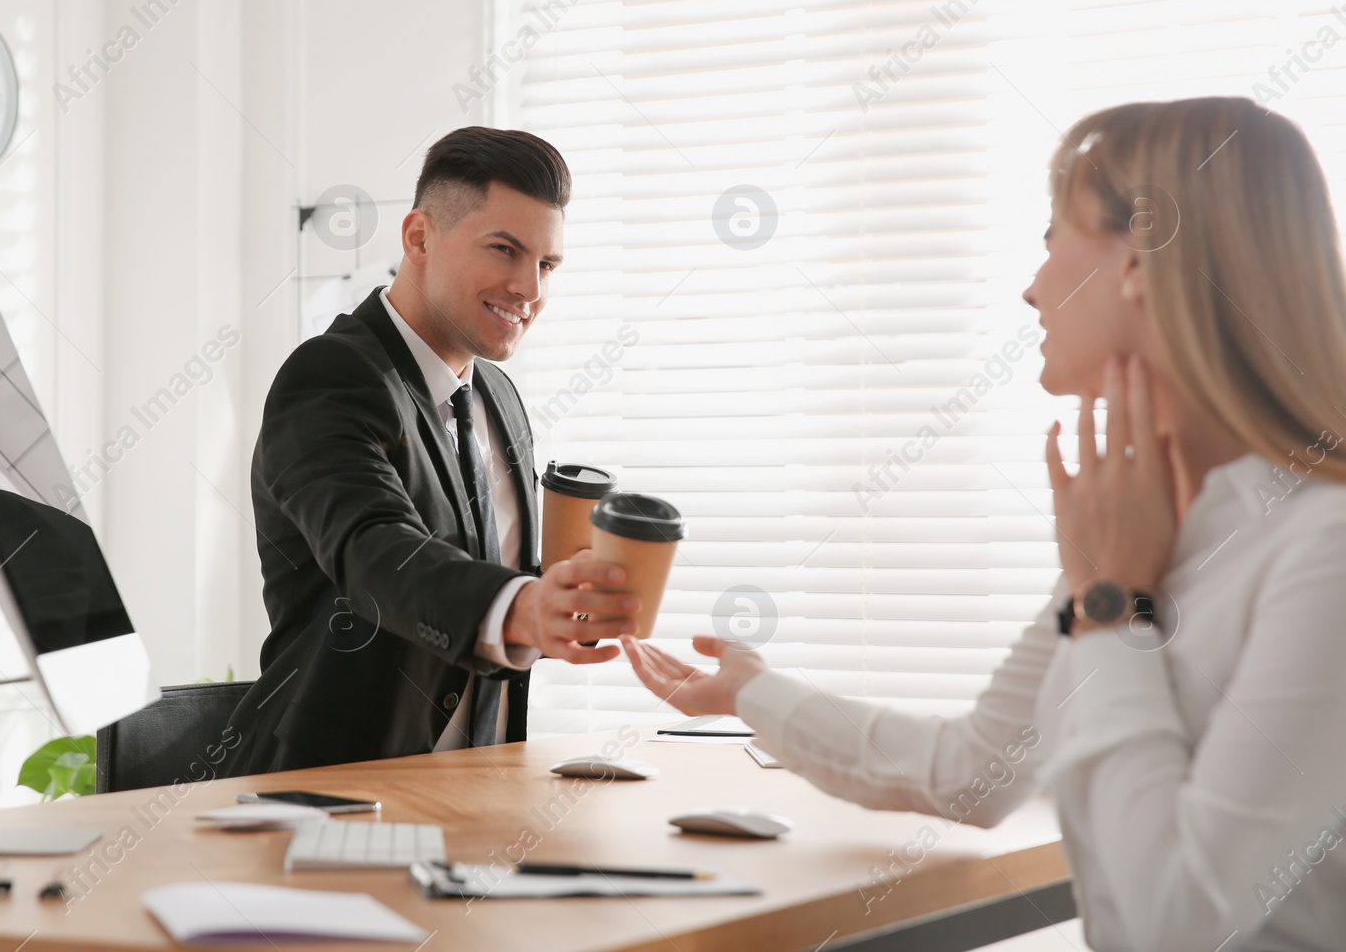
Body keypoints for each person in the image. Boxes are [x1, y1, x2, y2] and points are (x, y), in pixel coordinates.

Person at [622, 97, 1346, 951]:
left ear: (1142, 261)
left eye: (1050, 239)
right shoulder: (1137, 534)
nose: (1031, 285)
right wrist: (749, 688)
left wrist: (1114, 610)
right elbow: (974, 771)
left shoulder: (1318, 550)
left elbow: (1178, 923)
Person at [225, 126, 636, 775]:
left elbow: (479, 580)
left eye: (547, 264)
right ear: (419, 238)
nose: (530, 288)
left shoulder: (498, 394)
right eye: (505, 249)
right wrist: (526, 605)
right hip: (330, 795)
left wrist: (563, 602)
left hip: (480, 794)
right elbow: (377, 550)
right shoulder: (331, 377)